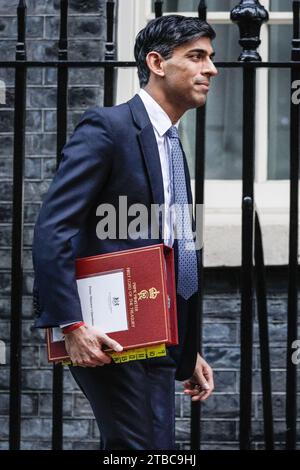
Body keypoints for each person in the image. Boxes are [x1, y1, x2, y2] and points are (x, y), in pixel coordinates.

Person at [32, 15, 218, 450]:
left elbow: (173, 247)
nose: (211, 69)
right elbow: (53, 229)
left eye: (210, 58)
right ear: (156, 62)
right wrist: (71, 325)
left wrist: (185, 349)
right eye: (196, 57)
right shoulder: (108, 128)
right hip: (107, 335)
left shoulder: (170, 142)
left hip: (157, 335)